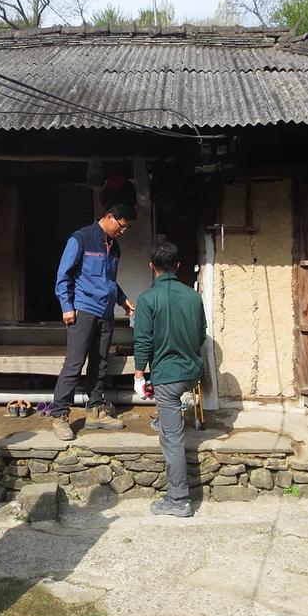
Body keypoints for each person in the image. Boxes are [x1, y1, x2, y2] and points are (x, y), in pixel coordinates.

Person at [50, 201, 138, 441]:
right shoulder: (80, 239)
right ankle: (59, 415)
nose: (123, 231)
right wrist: (67, 306)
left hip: (106, 312)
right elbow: (63, 275)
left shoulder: (114, 247)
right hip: (83, 311)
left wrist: (122, 299)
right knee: (75, 362)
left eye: (126, 229)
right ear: (109, 217)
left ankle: (95, 411)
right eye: (122, 226)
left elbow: (108, 280)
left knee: (100, 363)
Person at [133, 241, 207, 518]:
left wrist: (139, 374)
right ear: (178, 266)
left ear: (152, 267)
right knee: (168, 423)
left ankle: (178, 500)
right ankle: (164, 421)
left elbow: (142, 341)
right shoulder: (194, 297)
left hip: (167, 378)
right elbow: (201, 336)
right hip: (191, 373)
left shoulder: (147, 299)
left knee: (173, 439)